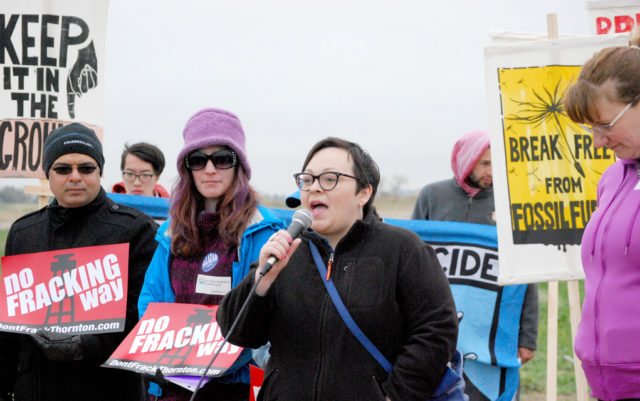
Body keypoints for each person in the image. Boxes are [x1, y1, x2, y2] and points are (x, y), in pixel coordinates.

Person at [217, 137, 459, 401]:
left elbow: (436, 332)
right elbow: (237, 332)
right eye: (307, 180)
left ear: (363, 193)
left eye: (329, 179)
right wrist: (261, 281)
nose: (315, 188)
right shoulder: (286, 251)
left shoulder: (403, 249)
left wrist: (394, 396)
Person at [0, 123, 158, 401]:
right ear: (48, 174)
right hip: (35, 387)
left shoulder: (135, 229)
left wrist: (86, 345)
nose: (75, 177)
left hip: (107, 387)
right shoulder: (23, 232)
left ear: (100, 172)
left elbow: (145, 314)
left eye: (86, 168)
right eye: (63, 169)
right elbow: (10, 326)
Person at [138, 108, 284, 401]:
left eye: (222, 158)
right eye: (197, 160)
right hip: (172, 386)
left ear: (239, 165)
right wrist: (154, 357)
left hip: (233, 387)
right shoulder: (170, 232)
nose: (209, 169)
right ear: (187, 169)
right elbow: (150, 302)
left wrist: (218, 364)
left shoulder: (264, 232)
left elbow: (266, 317)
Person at [411, 130, 538, 401]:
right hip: (439, 326)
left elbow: (525, 273)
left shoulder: (509, 201)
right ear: (465, 160)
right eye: (484, 163)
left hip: (492, 330)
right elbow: (411, 258)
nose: (491, 171)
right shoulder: (432, 196)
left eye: (496, 163)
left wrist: (527, 338)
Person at [563, 35, 640, 401]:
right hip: (608, 383)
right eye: (590, 128)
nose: (597, 140)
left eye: (605, 124)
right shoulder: (613, 178)